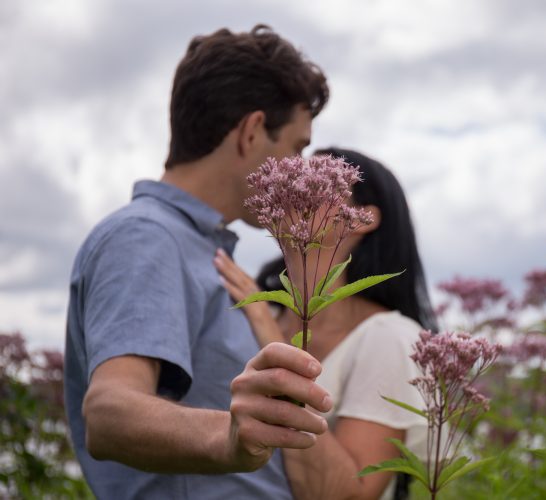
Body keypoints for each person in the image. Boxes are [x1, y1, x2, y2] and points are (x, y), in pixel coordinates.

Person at [64, 26, 333, 499]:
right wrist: (230, 436)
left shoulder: (197, 249)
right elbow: (109, 412)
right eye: (296, 147)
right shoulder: (147, 237)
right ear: (252, 132)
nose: (301, 169)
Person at [214, 147, 437, 500]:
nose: (300, 186)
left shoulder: (388, 339)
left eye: (322, 182)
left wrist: (272, 337)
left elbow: (350, 495)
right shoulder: (254, 310)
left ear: (363, 218)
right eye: (297, 176)